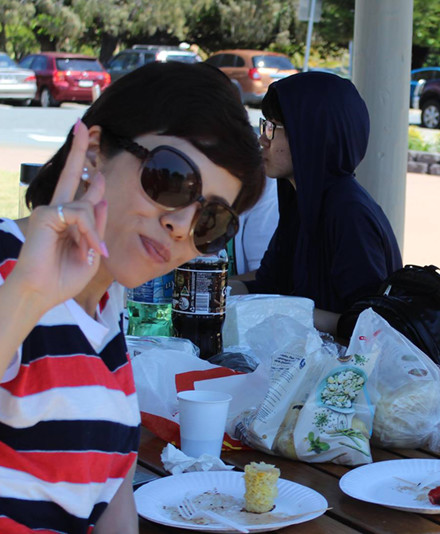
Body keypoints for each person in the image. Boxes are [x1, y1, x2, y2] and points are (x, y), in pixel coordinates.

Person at [0, 61, 264, 532]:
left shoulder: (105, 311)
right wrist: (27, 296)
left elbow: (111, 501)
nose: (180, 225)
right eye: (171, 179)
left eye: (210, 221)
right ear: (94, 153)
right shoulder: (11, 272)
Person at [229, 72, 403, 335]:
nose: (262, 139)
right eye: (264, 125)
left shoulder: (348, 212)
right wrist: (202, 288)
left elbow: (371, 324)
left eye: (272, 128)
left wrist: (291, 311)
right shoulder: (301, 201)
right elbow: (267, 284)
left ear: (310, 136)